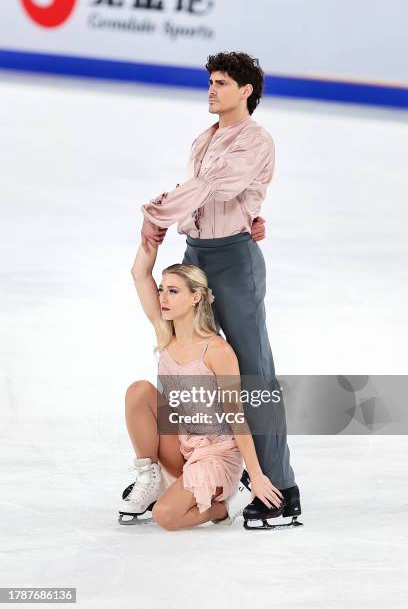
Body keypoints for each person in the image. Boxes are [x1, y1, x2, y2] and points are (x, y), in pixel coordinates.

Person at [138, 51, 302, 529]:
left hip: (232, 259)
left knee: (252, 376)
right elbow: (202, 196)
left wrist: (158, 212)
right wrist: (179, 221)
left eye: (222, 82)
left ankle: (281, 486)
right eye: (210, 81)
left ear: (246, 90)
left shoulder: (255, 140)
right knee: (187, 352)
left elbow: (213, 187)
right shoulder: (205, 138)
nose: (212, 89)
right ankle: (205, 464)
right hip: (198, 255)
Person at [119, 242, 284, 531]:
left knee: (166, 517)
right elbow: (139, 274)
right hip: (183, 444)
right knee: (139, 391)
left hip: (216, 455)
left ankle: (226, 506)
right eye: (161, 290)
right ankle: (150, 478)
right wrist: (151, 233)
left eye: (173, 291)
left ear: (196, 297)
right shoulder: (164, 333)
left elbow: (236, 415)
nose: (162, 297)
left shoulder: (217, 350)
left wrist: (256, 475)